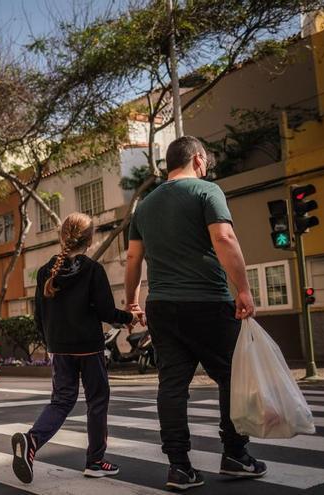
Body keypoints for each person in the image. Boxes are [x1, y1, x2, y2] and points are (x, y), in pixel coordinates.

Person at [124, 136, 266, 490]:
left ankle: (179, 467)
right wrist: (244, 289)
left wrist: (132, 302)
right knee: (233, 378)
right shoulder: (206, 191)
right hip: (206, 301)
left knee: (172, 386)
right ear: (198, 159)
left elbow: (132, 258)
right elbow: (225, 239)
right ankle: (235, 454)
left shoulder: (144, 205)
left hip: (162, 307)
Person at [11, 212, 141, 484]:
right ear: (90, 239)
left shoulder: (47, 271)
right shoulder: (93, 270)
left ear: (62, 238)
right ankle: (95, 461)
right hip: (89, 349)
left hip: (59, 348)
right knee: (97, 401)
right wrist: (130, 317)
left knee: (61, 401)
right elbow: (106, 312)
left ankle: (32, 440)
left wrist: (50, 344)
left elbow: (39, 315)